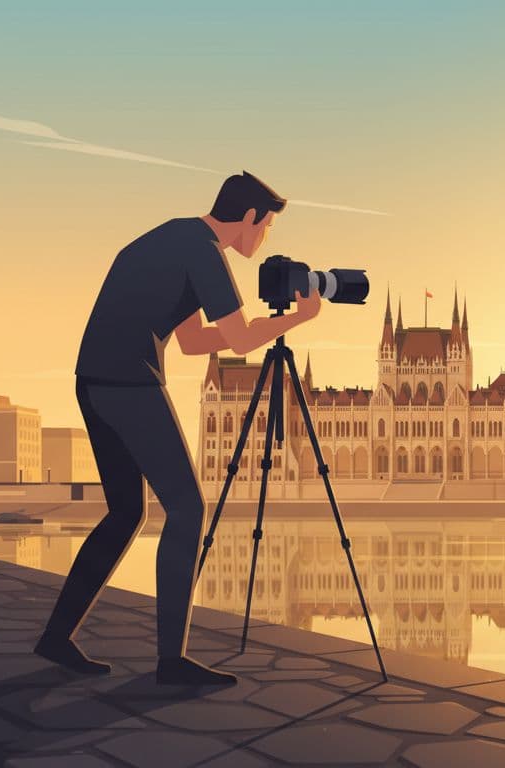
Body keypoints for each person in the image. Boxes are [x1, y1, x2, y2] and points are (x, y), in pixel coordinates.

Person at [35, 171, 321, 685]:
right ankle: (171, 660)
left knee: (126, 513)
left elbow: (192, 342)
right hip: (129, 383)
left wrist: (264, 325)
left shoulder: (171, 236)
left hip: (93, 381)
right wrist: (297, 319)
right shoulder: (207, 252)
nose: (265, 240)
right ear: (250, 218)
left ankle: (56, 637)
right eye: (268, 228)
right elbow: (237, 340)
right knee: (188, 508)